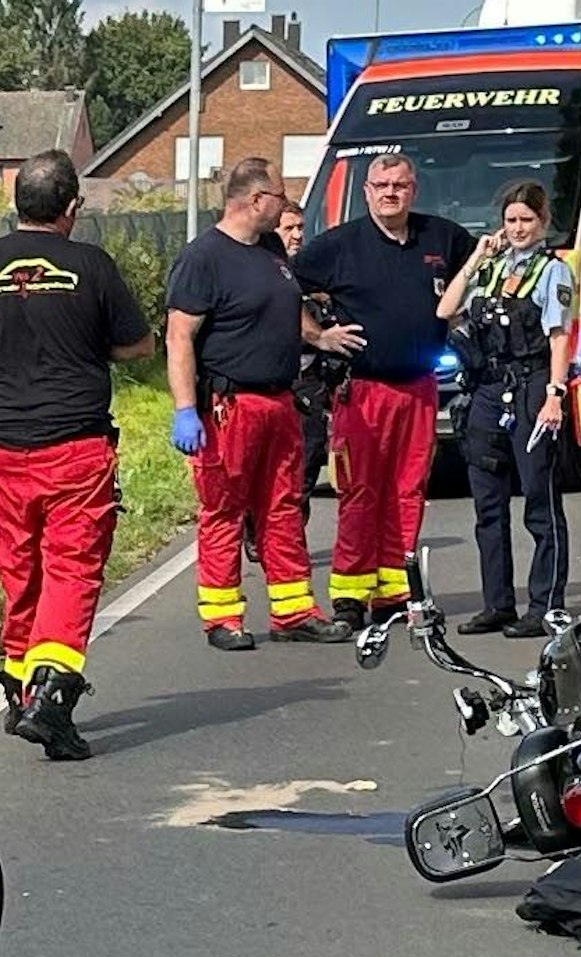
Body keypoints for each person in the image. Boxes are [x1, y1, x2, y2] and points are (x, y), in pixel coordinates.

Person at [0, 149, 156, 761]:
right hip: (75, 447)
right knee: (72, 566)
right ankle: (52, 701)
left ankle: (19, 682)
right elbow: (138, 345)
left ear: (16, 205)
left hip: (3, 447)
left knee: (20, 564)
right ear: (72, 208)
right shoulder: (93, 266)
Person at [167, 157, 353, 650]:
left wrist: (321, 338)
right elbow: (180, 336)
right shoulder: (203, 258)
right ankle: (222, 617)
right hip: (230, 406)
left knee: (283, 507)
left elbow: (286, 311)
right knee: (225, 509)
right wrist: (186, 407)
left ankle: (294, 611)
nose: (284, 204)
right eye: (278, 195)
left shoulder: (271, 250)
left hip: (279, 401)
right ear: (254, 200)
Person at [292, 153, 477, 631]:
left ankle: (393, 592)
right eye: (380, 185)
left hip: (420, 389)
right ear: (366, 191)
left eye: (399, 184)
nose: (390, 193)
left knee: (408, 493)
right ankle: (351, 595)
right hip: (363, 391)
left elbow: (481, 273)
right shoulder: (337, 246)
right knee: (359, 493)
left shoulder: (443, 237)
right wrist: (317, 336)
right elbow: (279, 288)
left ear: (414, 189)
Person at [435, 180, 574, 638]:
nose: (517, 228)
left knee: (539, 499)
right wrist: (476, 257)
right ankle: (498, 604)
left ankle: (545, 606)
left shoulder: (552, 271)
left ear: (543, 222)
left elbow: (558, 337)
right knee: (488, 504)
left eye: (526, 221)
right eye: (511, 220)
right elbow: (446, 309)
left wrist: (556, 393)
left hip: (533, 386)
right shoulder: (491, 268)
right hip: (487, 389)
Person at [244, 198, 312, 563]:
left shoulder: (305, 269)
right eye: (289, 229)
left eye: (301, 228)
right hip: (266, 384)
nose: (297, 236)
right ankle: (256, 530)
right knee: (260, 473)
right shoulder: (261, 270)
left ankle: (289, 540)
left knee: (303, 470)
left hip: (307, 380)